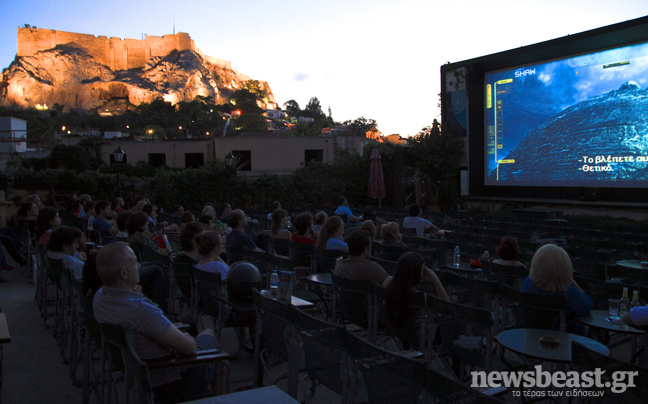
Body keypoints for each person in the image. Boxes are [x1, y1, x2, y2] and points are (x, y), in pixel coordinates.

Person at [92, 242, 223, 399]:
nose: (139, 265)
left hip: (137, 372)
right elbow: (190, 348)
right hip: (170, 378)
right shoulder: (140, 310)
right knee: (210, 339)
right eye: (134, 262)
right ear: (124, 273)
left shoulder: (100, 297)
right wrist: (185, 336)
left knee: (194, 325)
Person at [520, 243, 593, 335]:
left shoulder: (527, 284)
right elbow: (588, 305)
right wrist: (572, 281)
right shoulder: (570, 293)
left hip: (532, 337)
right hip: (563, 341)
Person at [386, 252, 448, 348]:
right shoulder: (419, 296)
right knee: (452, 327)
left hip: (399, 332)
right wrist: (435, 279)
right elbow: (446, 306)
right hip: (421, 338)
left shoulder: (389, 283)